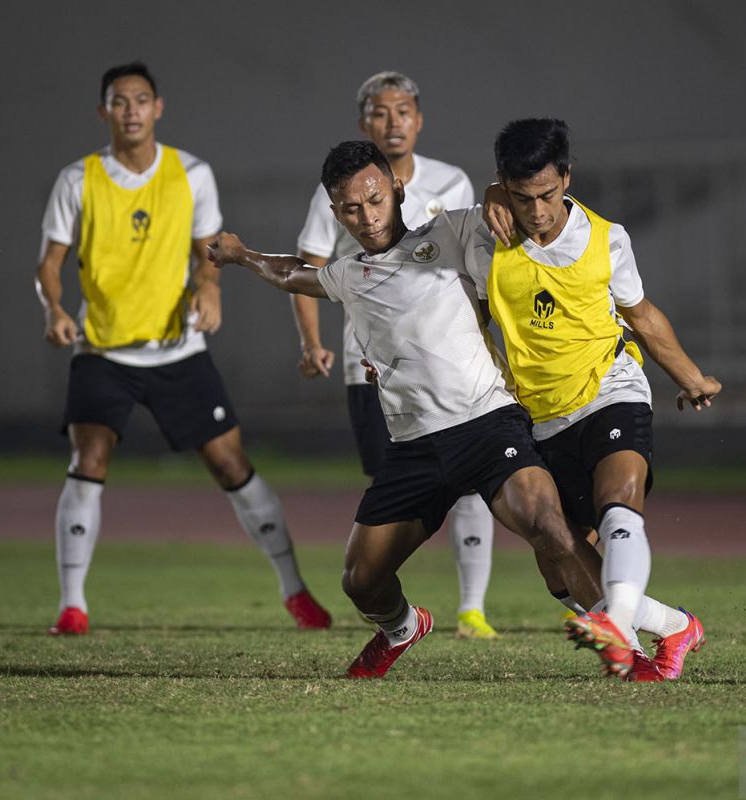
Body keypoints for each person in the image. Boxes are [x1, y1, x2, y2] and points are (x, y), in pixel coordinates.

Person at [208, 140, 603, 679]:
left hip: (487, 425)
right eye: (350, 208)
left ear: (397, 189)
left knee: (551, 528)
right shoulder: (348, 274)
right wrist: (239, 254)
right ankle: (401, 627)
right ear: (334, 211)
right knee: (359, 580)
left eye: (375, 199)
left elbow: (513, 204)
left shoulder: (449, 233)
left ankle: (624, 635)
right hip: (414, 448)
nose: (367, 217)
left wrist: (491, 190)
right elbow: (292, 274)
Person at [33, 62, 332, 635]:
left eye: (141, 99)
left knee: (231, 464)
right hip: (104, 350)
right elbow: (48, 265)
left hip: (178, 351)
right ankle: (72, 606)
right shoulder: (78, 179)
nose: (131, 110)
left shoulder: (190, 172)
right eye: (119, 102)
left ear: (158, 107)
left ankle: (295, 592)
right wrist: (53, 310)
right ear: (104, 112)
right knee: (87, 462)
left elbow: (209, 251)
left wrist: (212, 287)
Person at [477, 119, 721, 681]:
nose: (537, 211)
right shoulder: (485, 238)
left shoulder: (607, 238)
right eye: (520, 197)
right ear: (502, 186)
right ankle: (674, 627)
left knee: (619, 501)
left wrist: (690, 376)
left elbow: (640, 313)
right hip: (538, 416)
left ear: (566, 177)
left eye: (547, 194)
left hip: (611, 388)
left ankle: (617, 628)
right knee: (560, 567)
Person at [291, 71, 499, 640]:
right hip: (373, 372)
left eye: (403, 111)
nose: (393, 122)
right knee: (394, 489)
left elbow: (476, 271)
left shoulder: (450, 181)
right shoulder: (333, 189)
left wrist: (486, 343)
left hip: (456, 371)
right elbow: (307, 267)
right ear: (364, 123)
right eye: (380, 114)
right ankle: (398, 610)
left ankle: (472, 607)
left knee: (479, 481)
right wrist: (313, 343)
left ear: (419, 118)